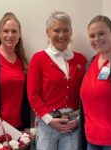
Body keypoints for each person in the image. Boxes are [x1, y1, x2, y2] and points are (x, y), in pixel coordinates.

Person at [27, 10, 87, 150]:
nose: (61, 35)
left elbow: (85, 94)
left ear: (71, 31)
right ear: (48, 32)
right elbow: (33, 95)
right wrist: (49, 120)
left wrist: (78, 120)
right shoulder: (38, 59)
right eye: (56, 30)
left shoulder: (81, 60)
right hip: (47, 124)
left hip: (72, 126)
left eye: (66, 30)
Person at [79, 15, 111, 150]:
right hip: (91, 140)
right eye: (92, 36)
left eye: (101, 33)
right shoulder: (90, 63)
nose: (96, 39)